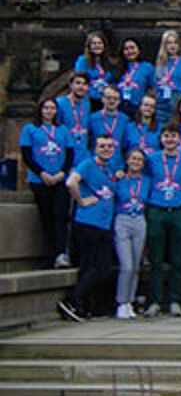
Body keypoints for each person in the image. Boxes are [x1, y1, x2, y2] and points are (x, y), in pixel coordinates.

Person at [56, 134, 120, 322]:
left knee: (97, 267)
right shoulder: (88, 164)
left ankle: (84, 306)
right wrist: (81, 200)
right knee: (95, 266)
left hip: (104, 223)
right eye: (102, 146)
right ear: (95, 148)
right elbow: (71, 182)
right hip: (88, 222)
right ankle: (71, 300)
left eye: (109, 146)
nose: (106, 149)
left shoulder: (109, 168)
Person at [145, 126, 181, 316]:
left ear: (179, 139)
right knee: (156, 260)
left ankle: (175, 300)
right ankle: (154, 301)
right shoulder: (152, 159)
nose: (170, 139)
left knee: (177, 259)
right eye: (166, 136)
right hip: (157, 210)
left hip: (178, 210)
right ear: (161, 139)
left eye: (173, 136)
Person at [21, 98, 73, 270]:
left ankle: (61, 254)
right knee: (47, 218)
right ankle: (50, 254)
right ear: (40, 110)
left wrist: (62, 173)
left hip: (60, 179)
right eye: (46, 108)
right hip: (40, 180)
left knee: (60, 216)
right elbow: (27, 155)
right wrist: (42, 173)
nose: (49, 111)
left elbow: (69, 154)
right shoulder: (30, 129)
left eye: (52, 108)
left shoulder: (63, 130)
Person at [111, 148, 148, 320]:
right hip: (123, 220)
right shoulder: (119, 180)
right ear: (127, 161)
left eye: (139, 159)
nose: (136, 162)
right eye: (133, 158)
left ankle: (129, 302)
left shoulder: (146, 181)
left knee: (136, 265)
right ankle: (121, 301)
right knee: (126, 265)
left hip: (139, 220)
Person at [153, 30, 181, 127]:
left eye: (175, 43)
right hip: (161, 101)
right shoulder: (160, 62)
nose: (172, 46)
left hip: (176, 99)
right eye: (169, 43)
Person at [57, 73, 93, 173]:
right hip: (66, 154)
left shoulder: (86, 104)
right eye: (78, 83)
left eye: (84, 84)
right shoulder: (60, 103)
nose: (81, 86)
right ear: (71, 85)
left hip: (83, 155)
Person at [74, 31, 115, 110]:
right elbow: (79, 80)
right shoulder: (83, 60)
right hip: (88, 99)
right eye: (94, 43)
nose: (97, 45)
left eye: (100, 43)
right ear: (89, 46)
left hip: (105, 99)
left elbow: (112, 80)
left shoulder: (108, 62)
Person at [88, 86, 130, 159]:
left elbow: (126, 145)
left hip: (117, 163)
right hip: (97, 162)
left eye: (115, 98)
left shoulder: (125, 120)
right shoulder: (93, 118)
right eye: (108, 98)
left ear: (120, 101)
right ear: (102, 98)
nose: (112, 101)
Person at [114, 38, 152, 119]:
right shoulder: (117, 67)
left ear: (138, 50)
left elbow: (152, 87)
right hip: (119, 107)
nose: (130, 51)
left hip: (138, 107)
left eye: (132, 48)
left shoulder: (147, 67)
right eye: (126, 49)